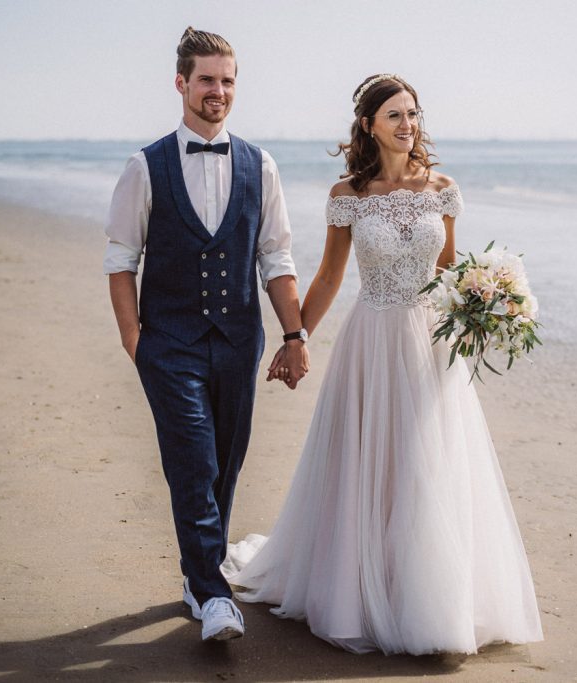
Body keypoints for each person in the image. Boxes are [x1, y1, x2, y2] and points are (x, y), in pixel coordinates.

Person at [226, 74, 543, 654]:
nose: (408, 125)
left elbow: (449, 271)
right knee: (370, 462)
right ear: (369, 124)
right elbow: (327, 276)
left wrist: (487, 306)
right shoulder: (348, 196)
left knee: (429, 464)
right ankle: (361, 592)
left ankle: (428, 601)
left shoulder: (442, 188)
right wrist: (295, 337)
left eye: (413, 114)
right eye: (394, 115)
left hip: (429, 344)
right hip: (371, 341)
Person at [103, 26, 309, 642]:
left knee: (224, 464)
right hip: (167, 345)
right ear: (181, 83)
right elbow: (121, 259)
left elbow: (277, 258)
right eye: (206, 79)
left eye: (226, 80)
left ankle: (196, 580)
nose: (217, 90)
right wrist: (134, 342)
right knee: (192, 462)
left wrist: (294, 336)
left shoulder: (260, 164)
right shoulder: (146, 165)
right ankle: (216, 595)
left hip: (238, 341)